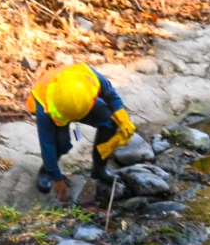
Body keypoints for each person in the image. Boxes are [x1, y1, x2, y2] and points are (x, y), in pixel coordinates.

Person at [26, 63, 136, 201]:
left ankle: (99, 169)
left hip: (81, 103)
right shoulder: (45, 107)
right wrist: (56, 177)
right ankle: (46, 171)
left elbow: (111, 96)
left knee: (110, 121)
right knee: (61, 144)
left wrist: (123, 119)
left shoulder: (90, 78)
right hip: (55, 109)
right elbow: (47, 143)